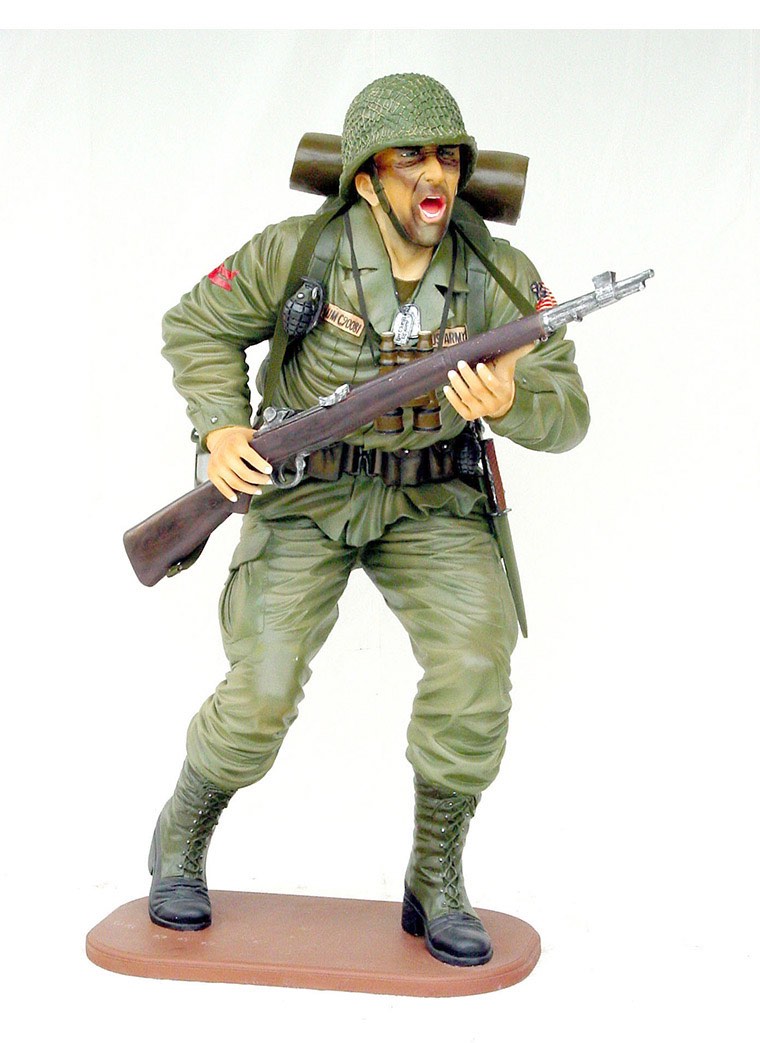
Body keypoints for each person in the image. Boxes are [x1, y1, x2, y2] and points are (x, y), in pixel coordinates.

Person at [149, 72, 590, 968]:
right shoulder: (299, 252)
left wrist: (509, 402)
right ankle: (181, 836)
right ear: (365, 177)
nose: (436, 175)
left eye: (449, 157)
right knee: (260, 695)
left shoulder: (500, 273)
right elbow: (196, 323)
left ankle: (436, 873)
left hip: (433, 498)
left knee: (475, 669)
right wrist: (222, 427)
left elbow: (569, 411)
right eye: (410, 157)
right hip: (304, 495)